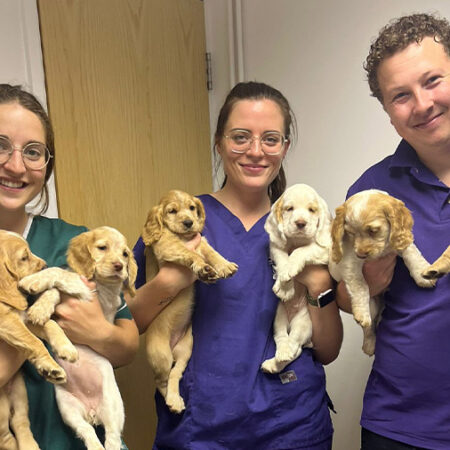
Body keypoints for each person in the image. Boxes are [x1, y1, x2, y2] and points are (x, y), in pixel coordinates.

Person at [129, 81, 343, 449]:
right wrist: (168, 282)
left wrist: (320, 284)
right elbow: (127, 325)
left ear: (285, 148)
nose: (256, 151)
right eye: (240, 137)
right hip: (201, 424)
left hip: (292, 424)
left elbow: (327, 350)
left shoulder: (305, 229)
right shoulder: (183, 219)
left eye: (271, 139)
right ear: (219, 142)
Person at [0, 83, 139, 449]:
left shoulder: (74, 242)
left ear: (47, 165)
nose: (15, 165)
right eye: (0, 145)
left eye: (33, 152)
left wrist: (97, 332)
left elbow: (127, 344)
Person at [336, 13, 450, 450]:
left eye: (433, 80)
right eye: (400, 95)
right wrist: (368, 278)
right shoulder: (370, 193)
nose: (421, 105)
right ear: (387, 111)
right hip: (401, 425)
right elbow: (348, 297)